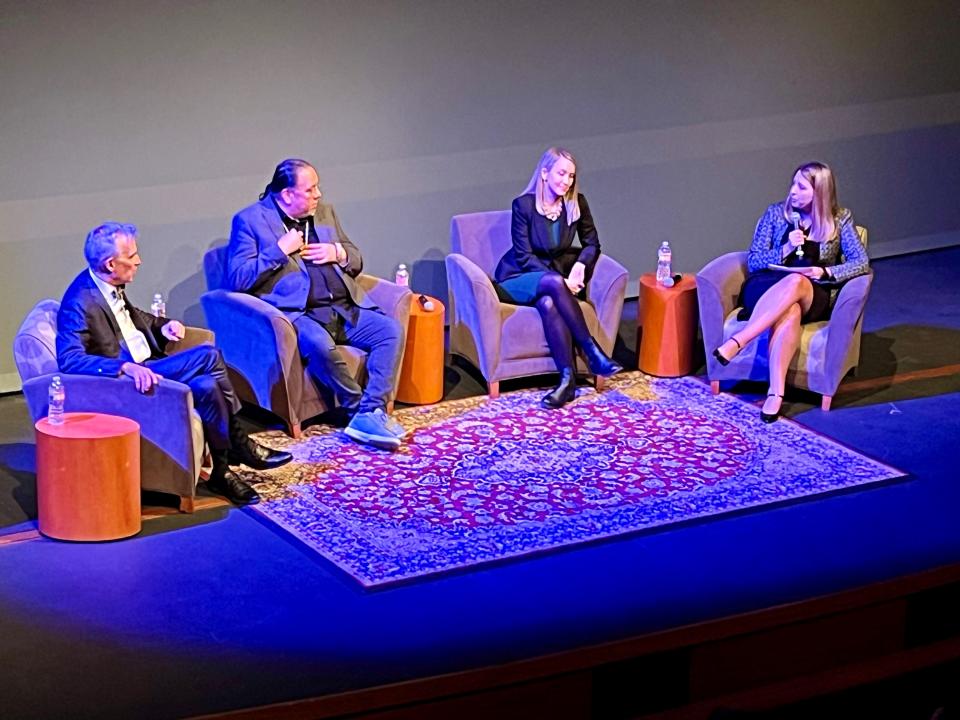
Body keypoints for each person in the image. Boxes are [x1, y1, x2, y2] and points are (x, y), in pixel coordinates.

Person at [57, 222, 292, 506]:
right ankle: (240, 442)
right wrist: (123, 368)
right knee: (208, 355)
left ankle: (221, 472)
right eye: (131, 256)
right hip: (131, 382)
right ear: (110, 263)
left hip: (151, 364)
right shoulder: (80, 301)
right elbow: (69, 359)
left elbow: (132, 319)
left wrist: (164, 326)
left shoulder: (108, 284)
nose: (139, 260)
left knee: (207, 386)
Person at [226, 159, 405, 450]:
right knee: (321, 347)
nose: (318, 194)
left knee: (390, 331)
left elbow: (356, 259)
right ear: (287, 195)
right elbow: (237, 279)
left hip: (343, 306)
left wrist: (337, 252)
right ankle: (358, 410)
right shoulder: (250, 221)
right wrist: (279, 250)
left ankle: (373, 410)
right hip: (299, 314)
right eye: (310, 190)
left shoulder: (324, 213)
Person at [712, 161, 870, 422]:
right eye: (793, 185)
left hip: (813, 291)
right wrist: (784, 249)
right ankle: (776, 392)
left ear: (819, 191)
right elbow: (754, 261)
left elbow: (861, 263)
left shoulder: (840, 219)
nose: (793, 191)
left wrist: (826, 272)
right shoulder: (775, 214)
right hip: (767, 288)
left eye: (801, 187)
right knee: (790, 310)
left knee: (797, 283)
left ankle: (739, 340)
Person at [493, 147, 622, 409]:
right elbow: (524, 255)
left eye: (571, 176)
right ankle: (592, 351)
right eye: (561, 173)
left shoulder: (576, 204)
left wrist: (580, 267)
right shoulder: (524, 206)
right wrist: (561, 281)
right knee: (553, 283)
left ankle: (567, 381)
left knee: (549, 303)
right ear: (544, 173)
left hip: (550, 282)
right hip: (517, 277)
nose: (566, 181)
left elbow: (591, 244)